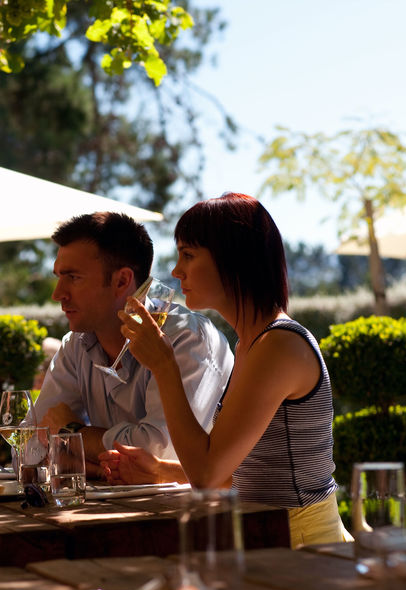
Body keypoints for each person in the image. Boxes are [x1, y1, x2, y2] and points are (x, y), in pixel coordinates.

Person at [100, 193, 350, 548]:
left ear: (234, 260)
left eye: (188, 254)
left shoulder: (279, 346)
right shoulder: (251, 344)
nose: (176, 271)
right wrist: (160, 471)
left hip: (305, 548)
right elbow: (239, 473)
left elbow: (207, 475)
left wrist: (164, 364)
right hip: (267, 538)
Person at [32, 212, 233, 476]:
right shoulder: (76, 345)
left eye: (73, 277)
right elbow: (29, 448)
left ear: (122, 281)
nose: (58, 294)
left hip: (196, 515)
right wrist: (96, 469)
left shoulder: (186, 338)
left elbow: (161, 453)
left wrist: (72, 433)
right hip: (115, 514)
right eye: (59, 276)